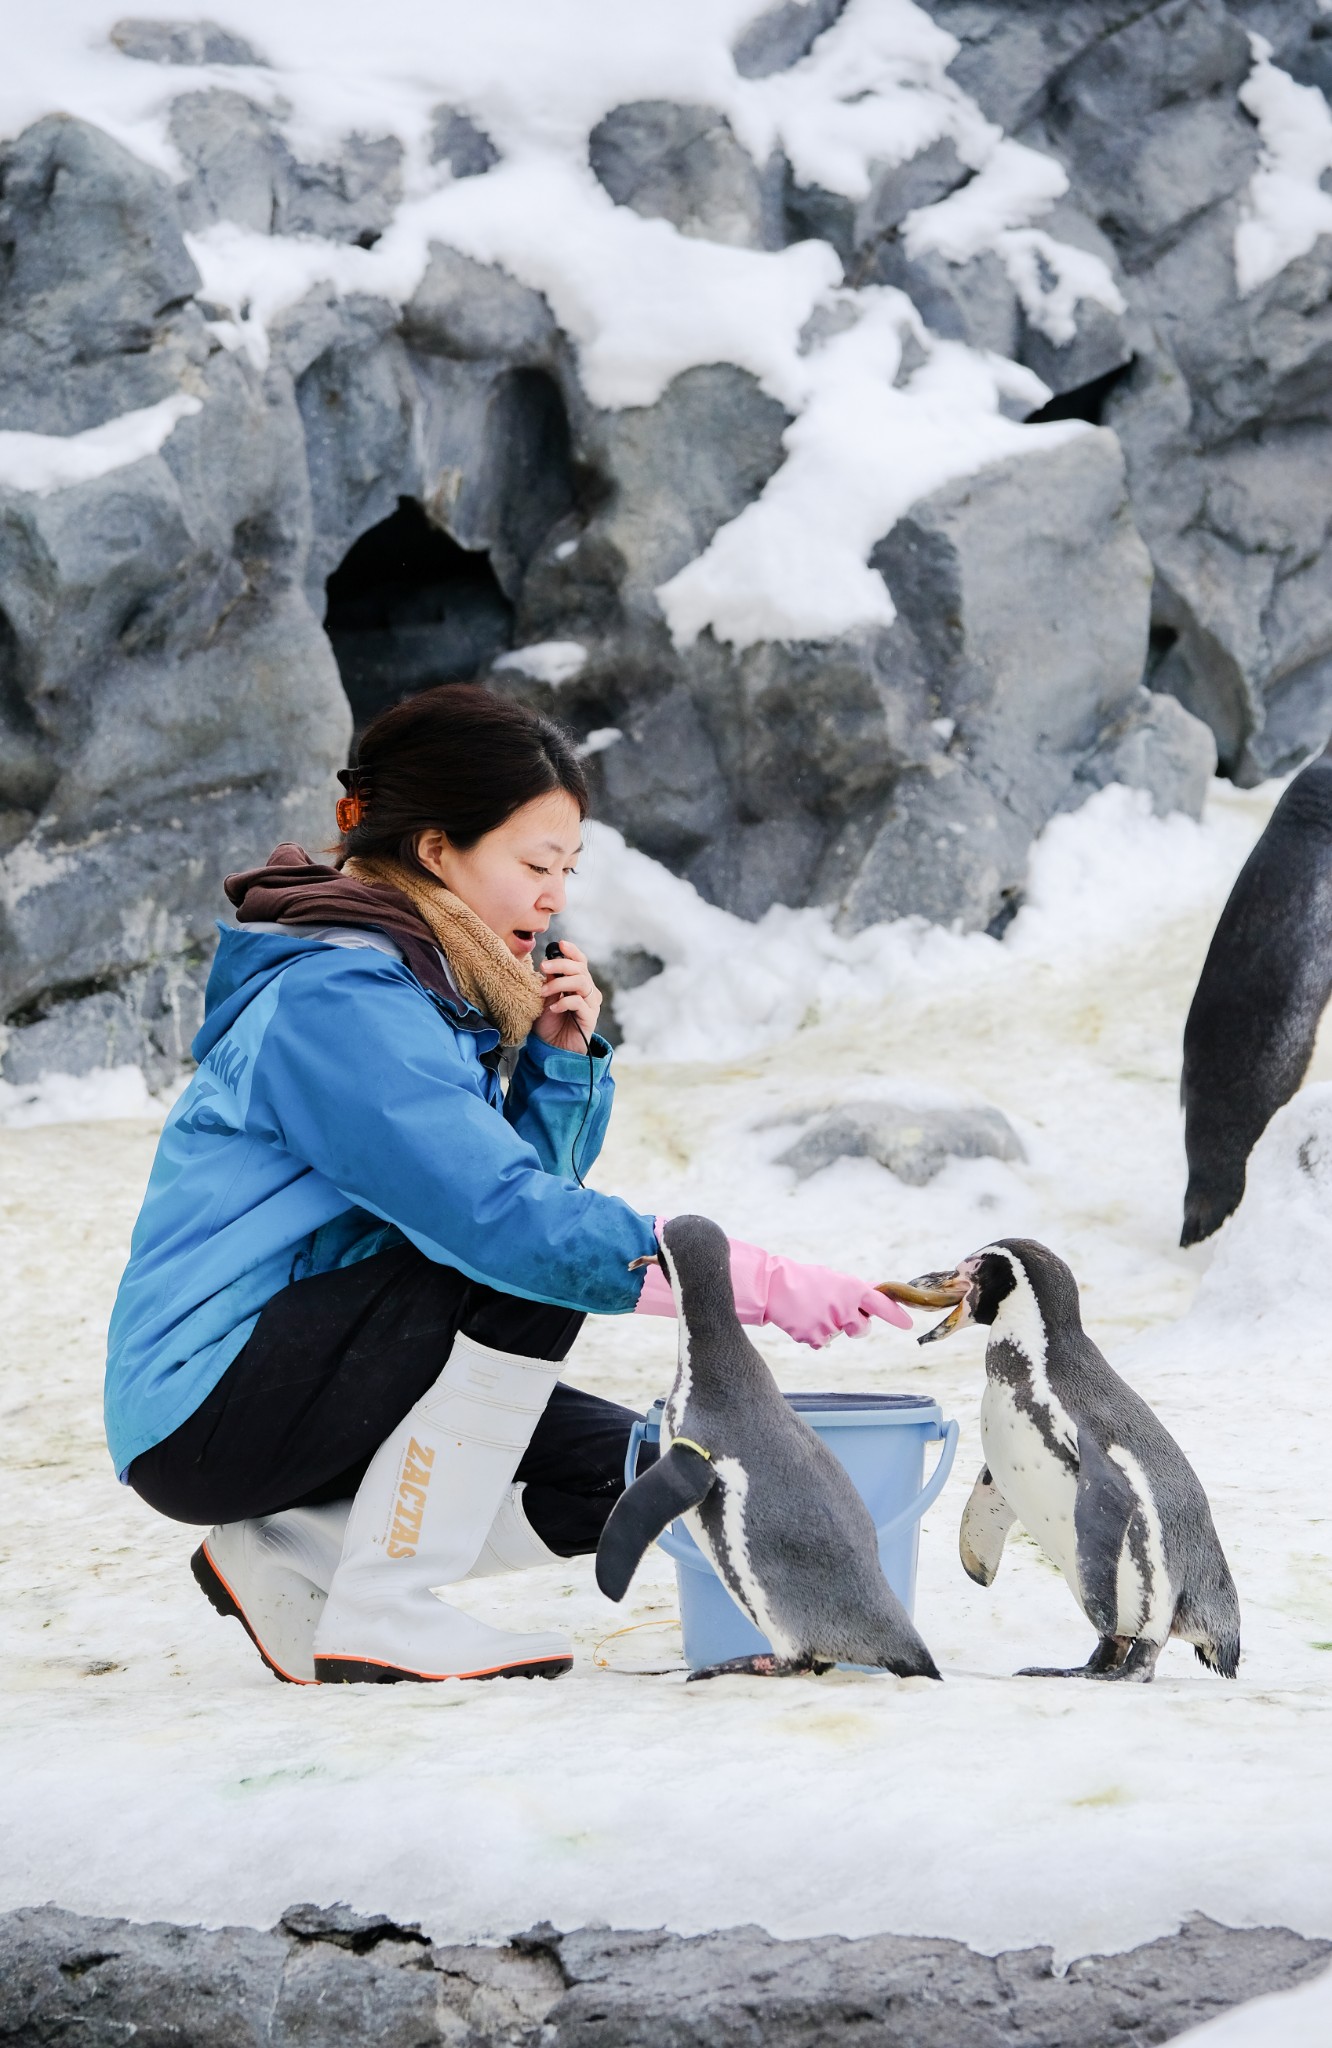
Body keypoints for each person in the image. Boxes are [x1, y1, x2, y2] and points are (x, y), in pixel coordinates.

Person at [105, 684, 910, 1687]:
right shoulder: (338, 996)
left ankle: (290, 1554)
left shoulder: (432, 986)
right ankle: (385, 1604)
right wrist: (740, 1281)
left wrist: (557, 1069)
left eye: (566, 868)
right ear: (437, 848)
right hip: (210, 1400)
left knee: (637, 1473)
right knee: (529, 1263)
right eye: (535, 864)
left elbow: (504, 1203)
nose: (552, 896)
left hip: (310, 1378)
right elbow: (504, 1228)